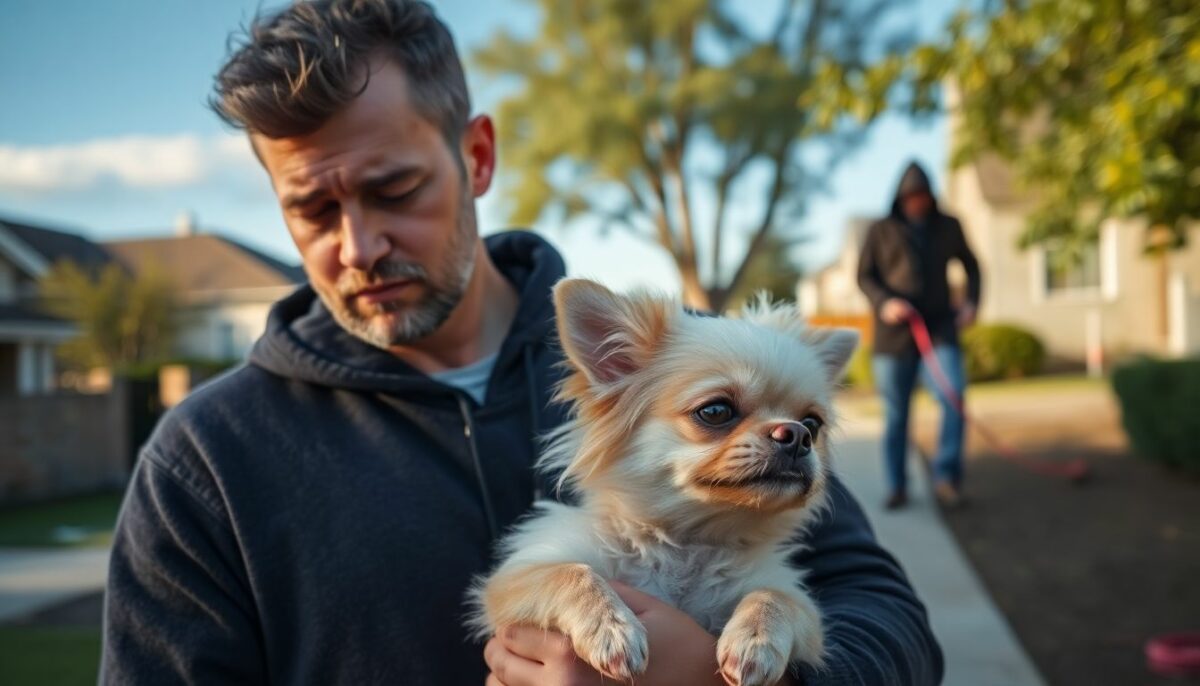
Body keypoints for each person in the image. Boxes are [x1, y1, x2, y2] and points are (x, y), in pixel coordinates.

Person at [100, 2, 943, 684]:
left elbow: (893, 625)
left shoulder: (681, 362)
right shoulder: (206, 461)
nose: (357, 246)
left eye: (394, 189)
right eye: (311, 210)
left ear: (477, 157)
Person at [857, 161, 982, 510]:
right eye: (910, 197)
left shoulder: (949, 226)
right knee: (897, 413)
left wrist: (971, 303)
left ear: (931, 196)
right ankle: (897, 485)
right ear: (900, 197)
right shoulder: (880, 229)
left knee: (954, 396)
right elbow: (864, 276)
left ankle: (947, 478)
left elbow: (972, 266)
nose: (917, 202)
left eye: (922, 196)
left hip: (940, 329)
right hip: (893, 336)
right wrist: (884, 303)